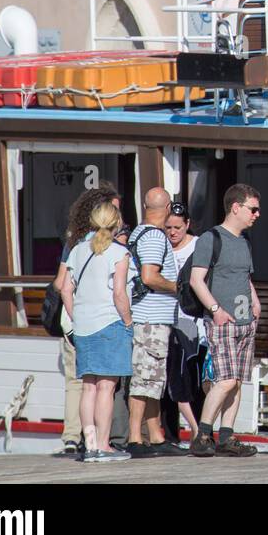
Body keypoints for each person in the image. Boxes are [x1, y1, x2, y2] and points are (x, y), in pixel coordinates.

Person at [187, 183, 262, 458]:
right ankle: (203, 434)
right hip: (223, 321)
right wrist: (216, 309)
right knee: (226, 379)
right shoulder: (210, 238)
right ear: (236, 207)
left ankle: (226, 436)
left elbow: (245, 277)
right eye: (253, 209)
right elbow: (196, 280)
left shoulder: (244, 242)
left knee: (238, 381)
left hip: (245, 321)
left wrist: (254, 301)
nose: (257, 214)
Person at [59, 202, 133, 463]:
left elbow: (65, 289)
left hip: (83, 326)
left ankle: (90, 444)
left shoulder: (77, 251)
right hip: (110, 323)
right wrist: (128, 321)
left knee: (88, 387)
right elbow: (119, 293)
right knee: (106, 387)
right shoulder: (119, 252)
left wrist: (76, 315)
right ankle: (104, 444)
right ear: (117, 223)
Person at [123, 188, 185, 457]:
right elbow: (149, 276)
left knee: (152, 380)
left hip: (146, 317)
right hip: (151, 319)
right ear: (169, 206)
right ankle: (136, 438)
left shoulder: (138, 232)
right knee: (144, 380)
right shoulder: (155, 237)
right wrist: (177, 288)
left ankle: (156, 435)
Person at [162, 201, 203, 444]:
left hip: (193, 320)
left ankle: (200, 428)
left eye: (178, 227)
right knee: (174, 376)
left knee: (194, 375)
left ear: (187, 225)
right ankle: (180, 432)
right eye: (168, 227)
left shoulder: (197, 246)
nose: (173, 232)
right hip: (169, 318)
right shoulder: (162, 247)